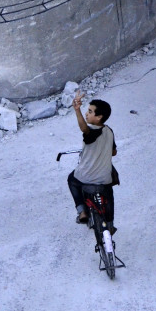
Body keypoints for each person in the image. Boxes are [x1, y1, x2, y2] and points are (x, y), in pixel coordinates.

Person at [67, 91, 117, 233]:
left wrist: (77, 110)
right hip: (104, 179)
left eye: (90, 111)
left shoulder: (93, 130)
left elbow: (84, 129)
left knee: (72, 179)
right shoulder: (109, 131)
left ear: (99, 117)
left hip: (85, 178)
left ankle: (82, 211)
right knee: (108, 193)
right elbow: (113, 152)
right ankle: (110, 223)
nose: (87, 114)